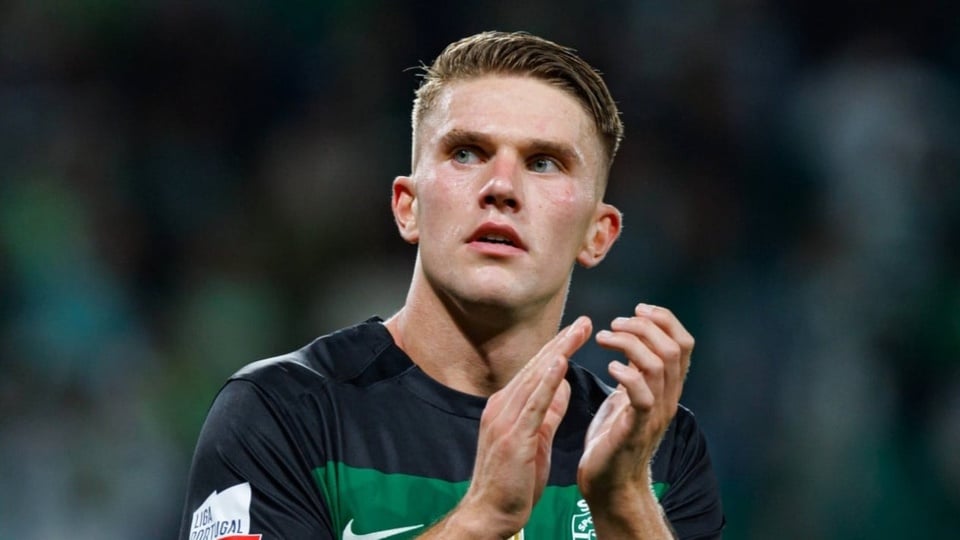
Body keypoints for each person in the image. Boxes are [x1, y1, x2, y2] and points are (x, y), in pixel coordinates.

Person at [178, 30, 725, 540]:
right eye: (466, 153)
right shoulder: (282, 412)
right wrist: (482, 516)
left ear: (598, 234)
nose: (501, 186)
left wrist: (623, 502)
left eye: (543, 162)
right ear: (408, 207)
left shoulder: (656, 451)